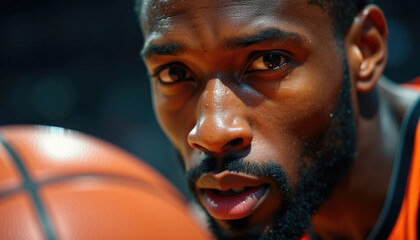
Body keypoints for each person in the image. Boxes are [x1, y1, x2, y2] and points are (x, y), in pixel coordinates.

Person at [137, 0, 420, 239]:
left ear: (364, 48)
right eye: (174, 74)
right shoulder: (194, 228)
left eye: (269, 61)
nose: (212, 132)